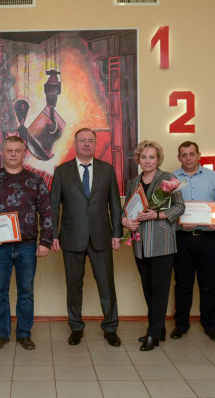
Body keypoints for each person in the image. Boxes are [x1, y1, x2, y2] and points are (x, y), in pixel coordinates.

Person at [0, 136, 53, 351]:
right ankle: (1, 333)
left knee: (26, 292)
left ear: (23, 153)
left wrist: (45, 241)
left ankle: (24, 333)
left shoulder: (35, 180)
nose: (13, 154)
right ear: (3, 152)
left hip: (27, 245)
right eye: (9, 150)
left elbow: (47, 211)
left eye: (17, 150)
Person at [50, 128, 123, 347]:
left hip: (102, 236)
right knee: (74, 285)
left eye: (90, 140)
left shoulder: (107, 170)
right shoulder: (62, 171)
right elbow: (54, 206)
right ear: (75, 144)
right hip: (71, 236)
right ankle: (76, 327)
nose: (86, 144)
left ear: (95, 144)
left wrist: (117, 233)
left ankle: (110, 328)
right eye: (82, 140)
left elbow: (115, 204)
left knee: (106, 285)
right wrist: (53, 234)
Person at [122, 140, 185, 351]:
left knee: (160, 290)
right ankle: (158, 329)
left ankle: (153, 332)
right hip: (140, 244)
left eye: (152, 157)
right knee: (148, 289)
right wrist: (125, 221)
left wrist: (157, 215)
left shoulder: (168, 178)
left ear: (158, 159)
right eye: (143, 157)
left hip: (161, 242)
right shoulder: (133, 182)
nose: (147, 161)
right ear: (138, 159)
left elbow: (180, 206)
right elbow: (127, 209)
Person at [171, 141, 215, 342]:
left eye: (192, 154)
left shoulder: (213, 177)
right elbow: (167, 206)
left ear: (199, 155)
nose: (188, 158)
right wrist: (177, 221)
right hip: (182, 238)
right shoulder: (171, 179)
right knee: (182, 285)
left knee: (208, 285)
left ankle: (210, 326)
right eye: (184, 154)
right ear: (179, 157)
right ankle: (181, 325)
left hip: (208, 238)